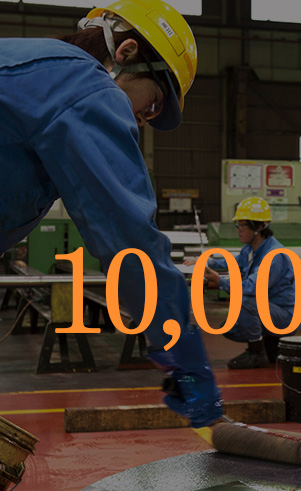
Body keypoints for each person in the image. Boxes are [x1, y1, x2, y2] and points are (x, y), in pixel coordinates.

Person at [0, 0, 223, 428]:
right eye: (152, 103)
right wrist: (185, 354)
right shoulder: (84, 87)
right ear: (126, 52)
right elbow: (129, 240)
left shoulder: (38, 70)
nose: (142, 121)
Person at [203, 197, 301, 369]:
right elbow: (233, 262)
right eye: (238, 225)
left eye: (243, 225)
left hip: (285, 317)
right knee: (230, 328)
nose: (239, 230)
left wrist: (219, 281)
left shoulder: (274, 256)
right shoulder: (250, 249)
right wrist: (206, 263)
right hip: (270, 311)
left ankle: (257, 353)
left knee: (245, 300)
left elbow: (251, 287)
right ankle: (270, 346)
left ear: (258, 227)